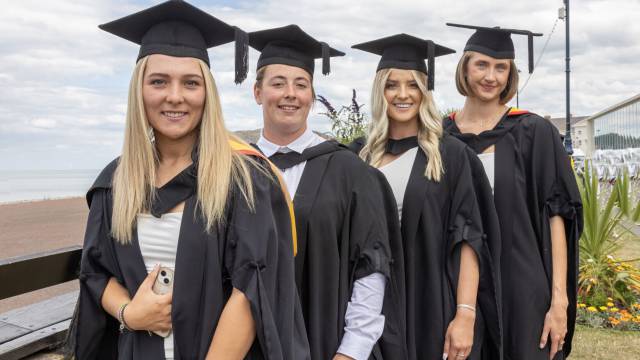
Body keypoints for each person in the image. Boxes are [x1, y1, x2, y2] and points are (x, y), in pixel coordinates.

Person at [72, 1, 309, 359]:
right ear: (139, 91)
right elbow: (95, 270)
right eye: (158, 81)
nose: (175, 96)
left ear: (206, 94)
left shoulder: (244, 180)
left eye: (190, 83)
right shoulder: (115, 182)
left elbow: (252, 290)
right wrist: (129, 312)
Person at [249, 24, 403, 360]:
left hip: (328, 344)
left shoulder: (350, 171)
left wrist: (352, 351)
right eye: (278, 83)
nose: (291, 93)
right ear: (257, 92)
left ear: (311, 95)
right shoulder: (237, 169)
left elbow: (371, 267)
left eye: (301, 84)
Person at [350, 34, 502, 360]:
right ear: (380, 91)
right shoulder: (357, 157)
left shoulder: (450, 155)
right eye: (392, 85)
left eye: (413, 85)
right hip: (368, 307)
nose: (402, 94)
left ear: (425, 92)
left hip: (430, 302)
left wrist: (465, 314)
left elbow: (468, 239)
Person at [444, 23, 583, 360]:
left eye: (500, 67)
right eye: (481, 65)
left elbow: (558, 215)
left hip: (521, 286)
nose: (491, 76)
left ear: (510, 74)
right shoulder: (440, 137)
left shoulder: (533, 132)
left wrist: (559, 301)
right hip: (456, 290)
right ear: (464, 68)